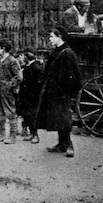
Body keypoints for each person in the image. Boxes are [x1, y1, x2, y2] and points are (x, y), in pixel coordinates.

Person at [35, 26, 82, 158]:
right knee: (57, 118)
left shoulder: (68, 53)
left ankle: (69, 145)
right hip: (53, 91)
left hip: (62, 92)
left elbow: (76, 76)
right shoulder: (56, 52)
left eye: (51, 36)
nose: (50, 39)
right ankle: (61, 144)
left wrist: (67, 90)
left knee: (64, 118)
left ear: (59, 36)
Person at [0, 39, 23, 144]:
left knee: (10, 112)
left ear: (3, 49)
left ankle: (13, 136)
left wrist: (9, 85)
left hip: (7, 91)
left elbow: (19, 77)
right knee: (0, 112)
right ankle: (2, 134)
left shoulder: (12, 61)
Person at [17, 47, 43, 144]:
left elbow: (38, 84)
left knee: (32, 116)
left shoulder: (36, 68)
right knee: (26, 114)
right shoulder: (28, 67)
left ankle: (35, 134)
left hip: (32, 96)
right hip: (26, 95)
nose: (22, 57)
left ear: (28, 56)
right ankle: (31, 134)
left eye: (24, 55)